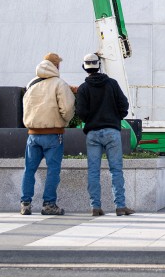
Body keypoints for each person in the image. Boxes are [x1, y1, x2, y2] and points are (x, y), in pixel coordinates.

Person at [75, 52, 134, 217]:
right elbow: (124, 105)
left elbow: (80, 112)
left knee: (93, 171)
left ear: (85, 68)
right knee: (116, 170)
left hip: (92, 133)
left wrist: (91, 119)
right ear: (98, 65)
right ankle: (120, 206)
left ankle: (95, 207)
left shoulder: (83, 88)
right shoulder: (112, 84)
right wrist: (115, 117)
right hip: (112, 131)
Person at [20, 52, 76, 216]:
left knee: (29, 169)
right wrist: (64, 122)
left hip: (33, 134)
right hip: (53, 134)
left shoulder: (31, 83)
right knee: (53, 170)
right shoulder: (59, 84)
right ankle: (49, 204)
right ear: (56, 65)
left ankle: (25, 204)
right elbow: (67, 108)